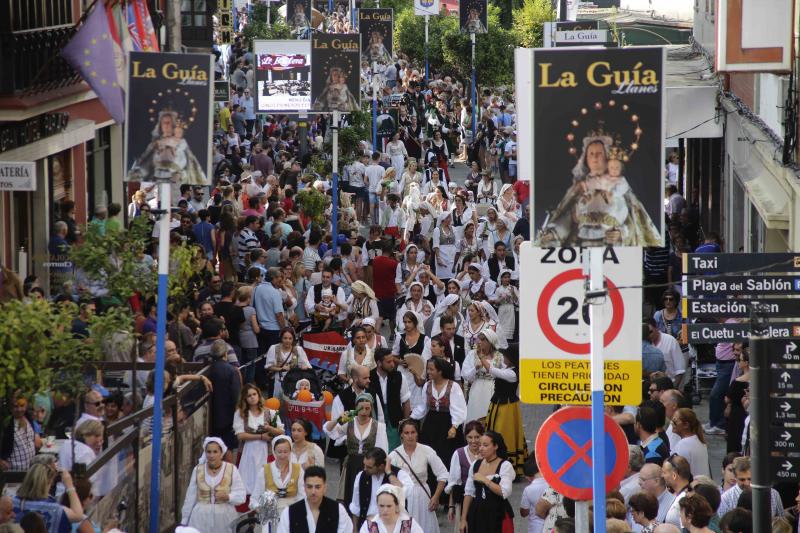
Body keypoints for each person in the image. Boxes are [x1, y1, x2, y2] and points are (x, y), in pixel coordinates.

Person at [324, 393, 388, 507]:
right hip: (351, 465)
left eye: (367, 408)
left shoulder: (378, 426)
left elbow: (382, 451)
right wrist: (338, 420)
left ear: (371, 409)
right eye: (361, 408)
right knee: (350, 497)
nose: (364, 411)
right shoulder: (349, 422)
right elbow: (330, 432)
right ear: (355, 407)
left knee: (365, 497)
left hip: (369, 465)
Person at [388, 419, 448, 533]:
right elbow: (387, 478)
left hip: (423, 497)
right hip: (403, 498)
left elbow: (443, 473)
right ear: (401, 435)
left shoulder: (426, 450)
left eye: (413, 432)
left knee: (425, 527)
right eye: (406, 433)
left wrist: (436, 496)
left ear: (417, 434)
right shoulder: (394, 455)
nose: (410, 436)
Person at [180, 437, 246, 532]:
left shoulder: (231, 469)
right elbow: (190, 497)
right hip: (200, 518)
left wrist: (228, 497)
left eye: (215, 452)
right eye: (209, 452)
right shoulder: (198, 470)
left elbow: (241, 495)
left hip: (224, 518)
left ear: (221, 453)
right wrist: (185, 520)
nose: (211, 455)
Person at [412, 357, 466, 468]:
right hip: (431, 424)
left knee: (446, 455)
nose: (428, 372)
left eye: (431, 369)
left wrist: (454, 427)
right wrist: (411, 417)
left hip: (448, 424)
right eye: (428, 369)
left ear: (440, 371)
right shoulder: (427, 385)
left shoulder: (453, 386)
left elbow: (459, 408)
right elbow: (423, 407)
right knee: (430, 453)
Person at [233, 384, 285, 496]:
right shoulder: (240, 414)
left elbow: (281, 432)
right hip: (246, 453)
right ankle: (250, 510)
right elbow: (240, 435)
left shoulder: (270, 412)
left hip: (267, 452)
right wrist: (261, 437)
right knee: (246, 481)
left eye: (254, 394)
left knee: (266, 484)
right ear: (244, 399)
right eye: (249, 395)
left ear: (258, 395)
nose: (252, 397)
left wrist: (269, 428)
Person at [459, 430, 515, 533]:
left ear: (495, 446)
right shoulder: (476, 464)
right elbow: (469, 493)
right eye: (480, 445)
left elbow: (504, 492)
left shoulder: (505, 465)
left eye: (485, 445)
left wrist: (484, 480)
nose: (481, 448)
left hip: (498, 513)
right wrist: (463, 519)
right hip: (477, 513)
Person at [485, 344, 527, 476]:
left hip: (506, 408)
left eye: (506, 356)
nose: (504, 357)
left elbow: (493, 370)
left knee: (504, 432)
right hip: (500, 404)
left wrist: (481, 356)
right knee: (497, 430)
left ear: (511, 358)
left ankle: (505, 465)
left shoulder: (512, 373)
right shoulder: (508, 368)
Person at [350, 448, 414, 529]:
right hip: (367, 526)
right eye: (364, 465)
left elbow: (403, 493)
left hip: (392, 527)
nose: (365, 469)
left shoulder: (399, 474)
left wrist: (389, 472)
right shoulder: (361, 476)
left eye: (369, 467)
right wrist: (355, 529)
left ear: (381, 466)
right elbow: (356, 506)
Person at [11, 463, 84, 532]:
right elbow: (78, 515)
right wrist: (69, 485)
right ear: (48, 482)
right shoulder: (54, 509)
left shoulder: (12, 502)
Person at [278, 466, 352, 533]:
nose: (313, 492)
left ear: (325, 488)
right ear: (304, 487)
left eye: (317, 487)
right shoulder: (289, 512)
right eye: (309, 487)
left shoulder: (338, 510)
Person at [369, 348, 411, 452]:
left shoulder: (399, 377)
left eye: (393, 360)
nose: (393, 364)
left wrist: (405, 423)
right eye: (388, 362)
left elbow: (406, 402)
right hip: (374, 422)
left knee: (394, 452)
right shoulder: (369, 377)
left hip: (394, 422)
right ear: (379, 363)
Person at [251, 435, 304, 516]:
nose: (282, 455)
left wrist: (297, 511)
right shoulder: (265, 470)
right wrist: (260, 509)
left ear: (290, 451)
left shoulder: (298, 469)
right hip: (270, 514)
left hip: (292, 512)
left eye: (285, 452)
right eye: (279, 451)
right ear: (274, 451)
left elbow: (303, 495)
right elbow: (255, 497)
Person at [206, 339, 242, 457]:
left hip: (210, 416)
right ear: (225, 354)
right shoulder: (231, 371)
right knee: (228, 447)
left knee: (213, 445)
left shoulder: (207, 370)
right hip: (228, 416)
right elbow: (237, 396)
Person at [446, 421, 484, 531]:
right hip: (463, 501)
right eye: (470, 437)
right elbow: (454, 482)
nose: (473, 441)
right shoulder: (459, 453)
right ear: (465, 437)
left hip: (483, 501)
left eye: (477, 437)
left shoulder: (487, 453)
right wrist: (451, 507)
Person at [717, 456, 783, 518]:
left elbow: (781, 521)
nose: (747, 483)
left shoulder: (773, 495)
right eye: (742, 479)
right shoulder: (725, 499)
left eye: (750, 479)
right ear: (735, 477)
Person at [462, 329, 504, 423]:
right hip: (477, 388)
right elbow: (465, 374)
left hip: (494, 389)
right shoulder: (472, 354)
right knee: (476, 413)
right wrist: (475, 368)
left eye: (483, 340)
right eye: (479, 339)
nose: (479, 342)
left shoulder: (499, 356)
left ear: (490, 342)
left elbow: (504, 374)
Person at [265, 327, 311, 398]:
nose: (287, 341)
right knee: (275, 403)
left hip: (292, 382)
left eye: (290, 338)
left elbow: (307, 365)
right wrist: (281, 369)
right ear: (281, 338)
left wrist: (304, 367)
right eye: (285, 338)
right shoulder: (274, 348)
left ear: (293, 339)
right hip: (277, 382)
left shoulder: (298, 350)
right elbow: (268, 366)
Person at [359, 484, 425, 533]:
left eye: (389, 506)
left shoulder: (410, 524)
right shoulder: (369, 526)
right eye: (381, 506)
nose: (385, 510)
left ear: (396, 506)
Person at [670, 408, 710, 477]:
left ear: (686, 425)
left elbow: (678, 473)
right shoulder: (699, 440)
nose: (671, 423)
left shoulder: (684, 444)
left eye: (675, 421)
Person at [725, 344, 749, 453]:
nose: (738, 361)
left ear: (746, 363)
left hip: (737, 416)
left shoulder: (738, 382)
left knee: (735, 444)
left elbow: (728, 398)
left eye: (740, 360)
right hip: (750, 415)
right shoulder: (761, 379)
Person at [661, 455, 693, 527]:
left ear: (674, 476)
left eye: (664, 472)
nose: (662, 476)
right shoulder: (689, 493)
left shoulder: (684, 500)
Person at [519, 453, 547, 533]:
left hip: (535, 528)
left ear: (528, 477)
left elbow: (524, 512)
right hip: (552, 526)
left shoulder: (528, 489)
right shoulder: (552, 485)